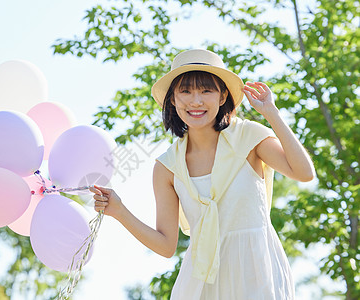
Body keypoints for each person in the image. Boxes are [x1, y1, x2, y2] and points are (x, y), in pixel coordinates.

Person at [89, 49, 315, 299]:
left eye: (206, 90)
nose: (195, 101)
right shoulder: (167, 166)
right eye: (185, 91)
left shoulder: (249, 137)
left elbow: (303, 173)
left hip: (257, 272)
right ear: (173, 100)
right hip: (200, 283)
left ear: (222, 97)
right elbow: (166, 245)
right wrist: (119, 211)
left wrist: (271, 113)